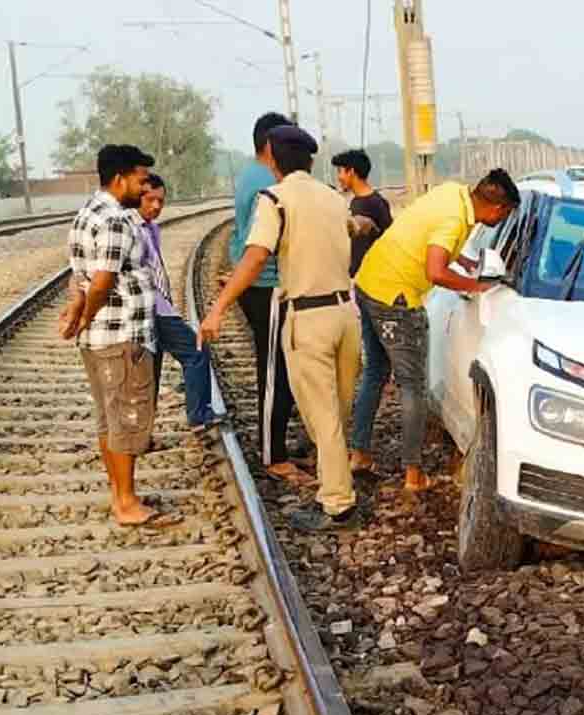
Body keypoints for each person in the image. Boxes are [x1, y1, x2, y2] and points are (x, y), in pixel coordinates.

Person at [199, 126, 365, 531]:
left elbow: (255, 258)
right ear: (310, 160)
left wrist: (218, 308)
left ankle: (337, 505)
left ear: (270, 156)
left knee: (321, 416)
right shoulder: (332, 197)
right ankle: (336, 485)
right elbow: (352, 229)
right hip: (346, 314)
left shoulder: (275, 200)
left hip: (308, 319)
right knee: (337, 413)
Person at [350, 169, 520, 492]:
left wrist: (465, 264)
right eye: (506, 214)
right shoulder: (456, 221)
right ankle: (413, 475)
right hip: (395, 297)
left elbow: (433, 242)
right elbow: (435, 270)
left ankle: (359, 453)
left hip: (370, 281)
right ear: (499, 209)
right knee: (413, 386)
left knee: (374, 373)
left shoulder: (453, 193)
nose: (503, 219)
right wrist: (476, 285)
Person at [60, 173, 224, 435]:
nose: (156, 206)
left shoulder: (152, 228)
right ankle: (199, 415)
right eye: (150, 199)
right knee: (196, 351)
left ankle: (142, 433)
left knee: (150, 372)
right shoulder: (126, 225)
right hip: (148, 309)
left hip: (156, 308)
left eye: (161, 201)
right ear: (137, 197)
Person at [61, 144, 171, 528]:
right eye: (141, 180)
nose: (144, 189)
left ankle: (119, 493)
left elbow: (80, 275)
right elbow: (103, 280)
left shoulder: (85, 213)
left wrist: (81, 315)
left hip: (100, 338)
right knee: (126, 416)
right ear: (120, 177)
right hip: (120, 333)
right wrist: (85, 316)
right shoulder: (116, 220)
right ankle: (126, 503)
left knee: (110, 418)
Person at [231, 112, 308, 482]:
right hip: (267, 285)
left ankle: (277, 445)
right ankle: (273, 454)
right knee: (275, 370)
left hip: (263, 284)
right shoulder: (266, 181)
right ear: (270, 146)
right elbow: (257, 242)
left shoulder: (252, 174)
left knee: (278, 366)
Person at [331, 149, 393, 277]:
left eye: (340, 172)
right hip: (361, 276)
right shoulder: (358, 202)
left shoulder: (374, 203)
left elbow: (388, 241)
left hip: (371, 277)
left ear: (351, 172)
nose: (338, 178)